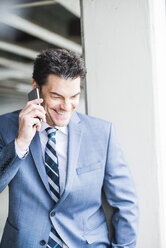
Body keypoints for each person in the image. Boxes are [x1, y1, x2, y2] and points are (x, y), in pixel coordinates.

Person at [0, 48, 138, 248]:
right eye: (57, 96)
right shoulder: (5, 127)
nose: (66, 106)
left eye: (74, 96)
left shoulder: (102, 133)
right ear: (36, 89)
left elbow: (126, 204)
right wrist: (20, 143)